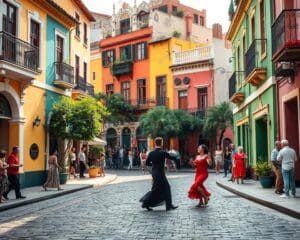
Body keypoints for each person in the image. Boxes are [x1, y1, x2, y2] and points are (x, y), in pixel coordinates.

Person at [140, 137, 178, 211]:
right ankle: (168, 206)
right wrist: (176, 156)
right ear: (161, 143)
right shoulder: (163, 152)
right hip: (160, 173)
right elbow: (171, 158)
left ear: (155, 143)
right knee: (166, 188)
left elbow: (147, 163)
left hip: (154, 173)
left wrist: (154, 166)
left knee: (156, 189)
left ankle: (146, 204)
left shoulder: (151, 153)